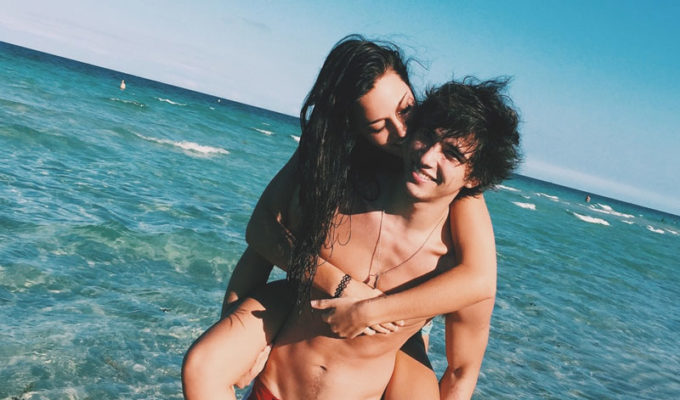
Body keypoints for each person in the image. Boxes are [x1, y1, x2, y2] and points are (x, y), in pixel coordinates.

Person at [182, 36, 501, 399]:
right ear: (354, 130)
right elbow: (262, 234)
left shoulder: (452, 184)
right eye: (378, 126)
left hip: (399, 331)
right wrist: (245, 338)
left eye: (407, 110)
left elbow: (479, 281)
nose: (402, 133)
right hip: (305, 331)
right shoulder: (331, 165)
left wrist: (372, 311)